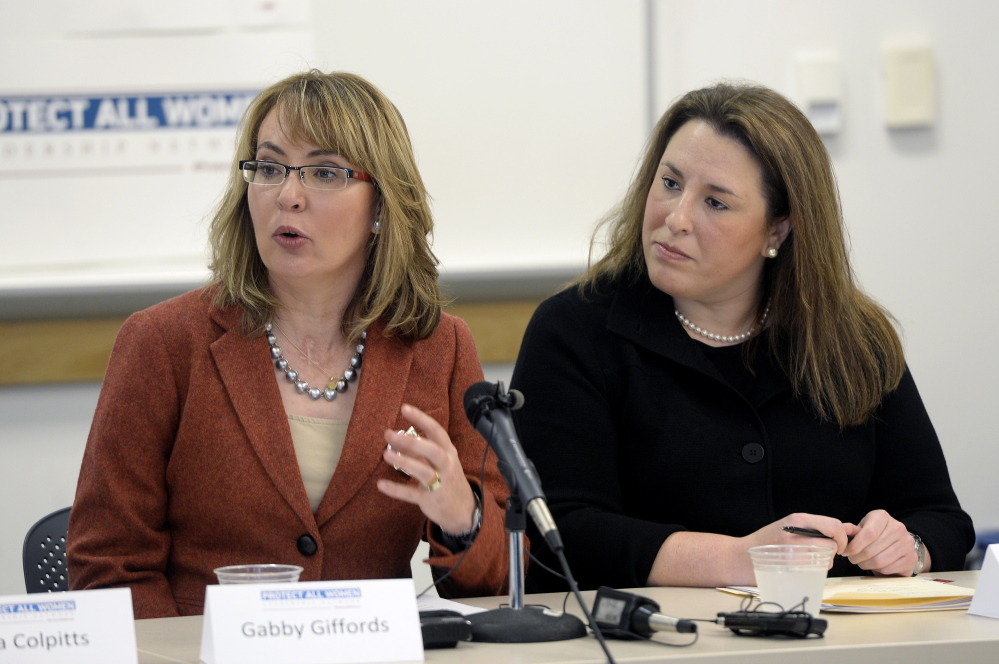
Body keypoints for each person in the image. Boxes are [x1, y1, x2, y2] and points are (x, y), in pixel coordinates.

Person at [68, 70, 509, 618]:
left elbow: (499, 582)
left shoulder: (438, 348)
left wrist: (463, 517)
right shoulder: (162, 343)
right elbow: (110, 564)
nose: (288, 196)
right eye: (270, 168)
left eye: (324, 172)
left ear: (380, 206)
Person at [511, 82, 974, 593]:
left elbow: (941, 518)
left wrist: (907, 545)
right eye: (669, 182)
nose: (676, 218)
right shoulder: (574, 331)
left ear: (776, 231)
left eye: (715, 202)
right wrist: (736, 559)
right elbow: (557, 532)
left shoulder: (854, 341)